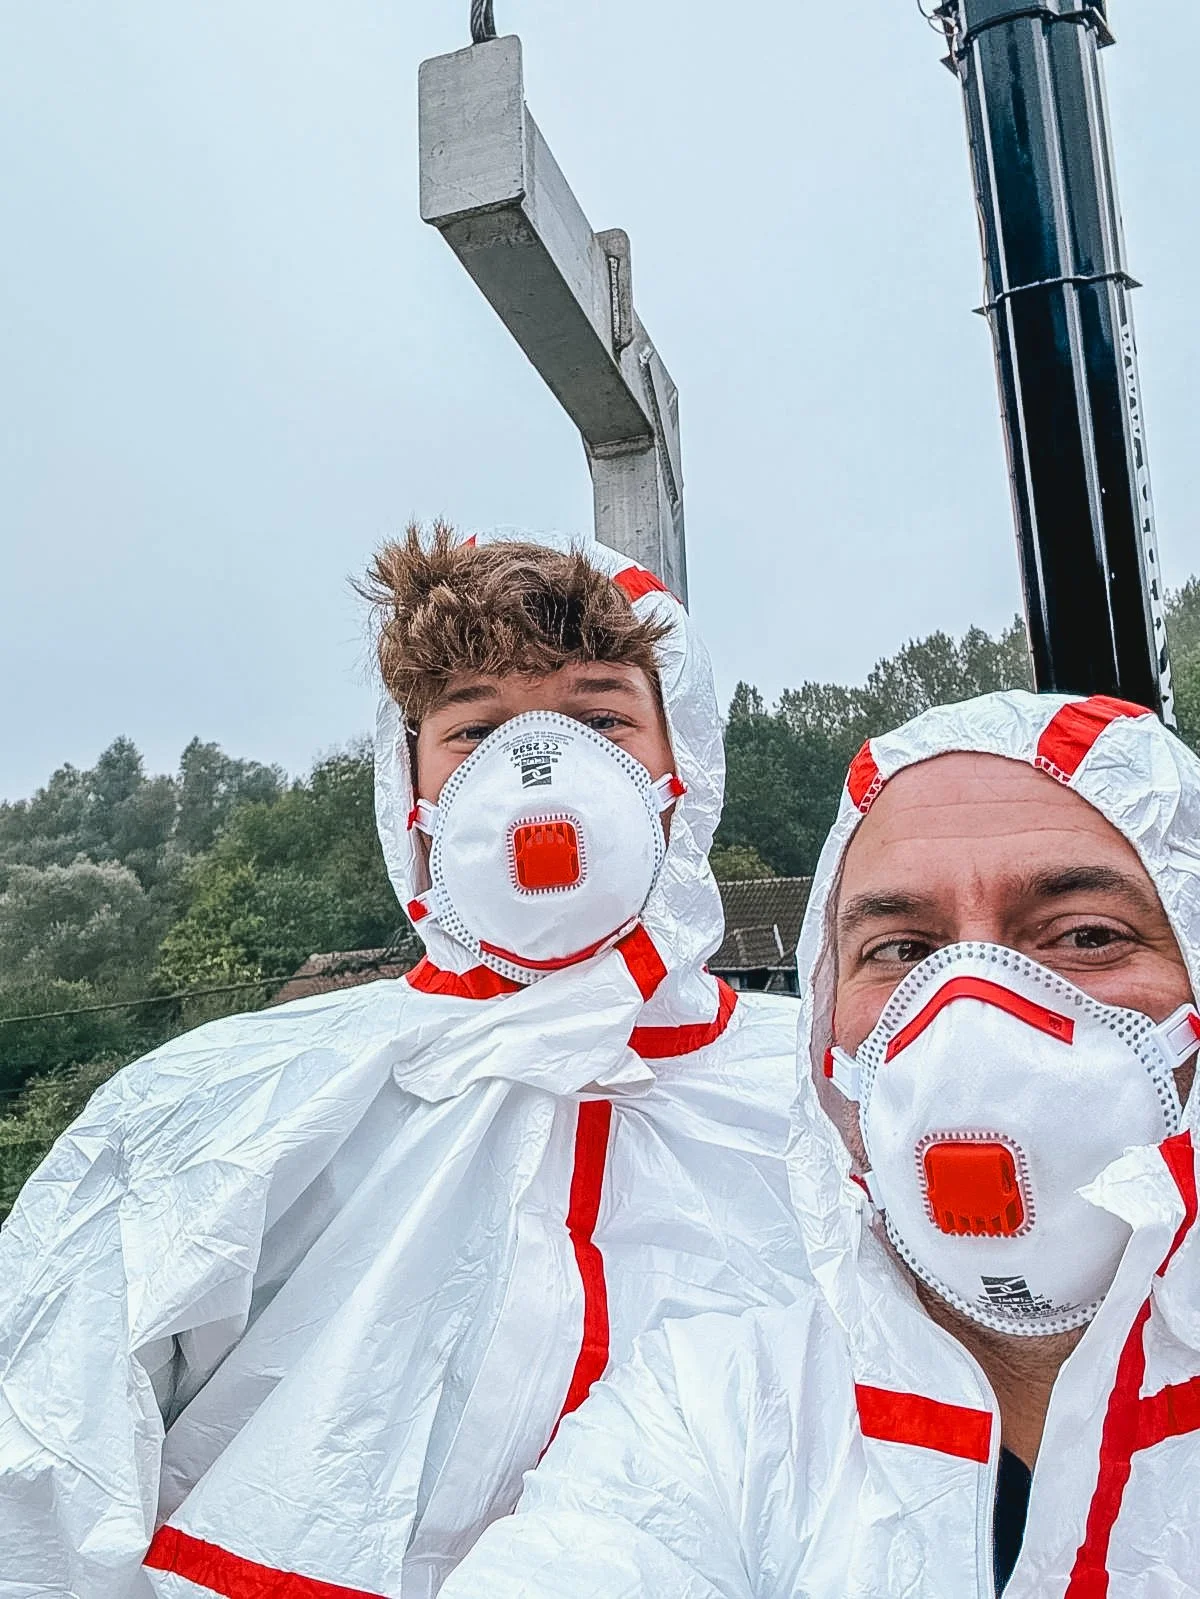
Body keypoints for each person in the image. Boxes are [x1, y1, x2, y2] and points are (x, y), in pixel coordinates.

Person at [0, 527, 808, 1598]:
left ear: (682, 766)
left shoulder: (826, 1094)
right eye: (476, 733)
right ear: (411, 790)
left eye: (598, 719)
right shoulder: (215, 1108)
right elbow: (45, 1458)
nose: (543, 780)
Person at [441, 690, 1200, 1599]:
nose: (971, 1022)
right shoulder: (722, 1414)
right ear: (826, 1041)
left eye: (1085, 935)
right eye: (900, 948)